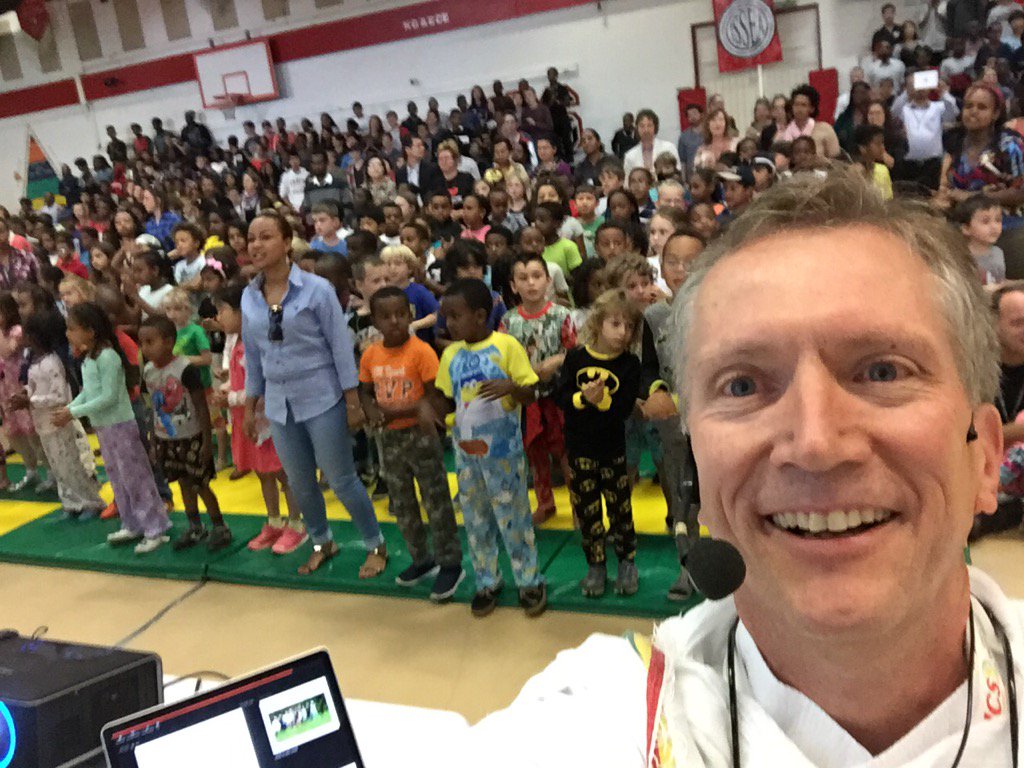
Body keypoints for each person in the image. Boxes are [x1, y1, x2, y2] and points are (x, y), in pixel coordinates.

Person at [467, 169, 1020, 767]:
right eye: (743, 384)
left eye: (882, 371)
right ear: (698, 468)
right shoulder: (598, 717)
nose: (814, 443)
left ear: (985, 456)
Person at [241, 211, 386, 578]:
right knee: (300, 480)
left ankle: (375, 544)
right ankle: (322, 541)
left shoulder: (316, 290)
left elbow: (340, 347)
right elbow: (253, 353)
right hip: (278, 402)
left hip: (321, 396)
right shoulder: (249, 296)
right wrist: (250, 403)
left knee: (341, 478)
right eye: (251, 238)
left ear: (287, 242)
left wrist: (352, 401)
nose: (256, 245)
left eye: (265, 237)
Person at [434, 278, 547, 618]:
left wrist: (511, 386)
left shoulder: (506, 346)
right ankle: (487, 579)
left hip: (503, 454)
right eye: (445, 317)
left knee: (513, 518)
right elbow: (443, 398)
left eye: (455, 316)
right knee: (475, 519)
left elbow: (531, 393)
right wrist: (433, 411)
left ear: (480, 315)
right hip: (466, 456)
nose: (448, 324)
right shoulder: (451, 354)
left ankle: (528, 580)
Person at [358, 286, 464, 601]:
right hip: (388, 438)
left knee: (436, 500)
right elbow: (364, 390)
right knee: (402, 503)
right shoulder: (371, 353)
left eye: (400, 314)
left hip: (420, 437)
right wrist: (371, 410)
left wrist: (397, 412)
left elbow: (431, 400)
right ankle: (421, 558)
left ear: (411, 315)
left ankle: (450, 563)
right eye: (386, 316)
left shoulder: (422, 352)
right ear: (375, 321)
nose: (394, 321)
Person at [58, 303, 171, 553]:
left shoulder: (108, 357)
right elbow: (89, 391)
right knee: (118, 478)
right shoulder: (89, 358)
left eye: (72, 328)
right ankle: (132, 522)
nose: (68, 334)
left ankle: (155, 527)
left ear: (90, 331)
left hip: (121, 425)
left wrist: (73, 412)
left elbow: (108, 396)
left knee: (136, 477)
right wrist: (69, 408)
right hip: (104, 428)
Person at [555, 288, 642, 597]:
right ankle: (595, 564)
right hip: (580, 450)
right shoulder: (577, 358)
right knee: (587, 509)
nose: (622, 332)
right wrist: (582, 398)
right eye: (615, 324)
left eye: (629, 326)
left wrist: (602, 399)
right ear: (598, 324)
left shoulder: (630, 364)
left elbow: (625, 407)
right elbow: (561, 396)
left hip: (613, 450)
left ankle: (626, 561)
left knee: (620, 509)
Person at [139, 315, 231, 551]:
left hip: (192, 437)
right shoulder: (148, 371)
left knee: (200, 484)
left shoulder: (185, 369)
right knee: (182, 482)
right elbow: (153, 407)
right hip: (166, 438)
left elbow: (201, 406)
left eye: (151, 342)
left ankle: (219, 526)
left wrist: (207, 443)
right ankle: (195, 526)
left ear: (169, 342)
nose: (145, 348)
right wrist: (152, 439)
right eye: (143, 343)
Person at [502, 252, 576, 523]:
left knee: (566, 449)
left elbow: (576, 352)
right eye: (523, 278)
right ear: (513, 286)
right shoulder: (509, 321)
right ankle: (545, 501)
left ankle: (577, 500)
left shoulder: (562, 315)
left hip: (559, 394)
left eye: (536, 276)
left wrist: (558, 359)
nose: (531, 283)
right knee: (534, 452)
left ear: (548, 280)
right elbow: (502, 357)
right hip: (527, 397)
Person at [15, 311, 104, 517]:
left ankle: (91, 501)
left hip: (58, 420)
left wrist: (31, 400)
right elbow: (33, 386)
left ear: (35, 337)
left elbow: (60, 396)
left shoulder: (52, 362)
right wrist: (24, 394)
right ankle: (71, 502)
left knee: (70, 463)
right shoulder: (35, 361)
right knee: (57, 466)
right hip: (43, 422)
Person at [938, 82, 1024, 229]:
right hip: (964, 226)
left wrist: (972, 197)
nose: (973, 111)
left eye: (982, 107)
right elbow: (947, 188)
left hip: (1006, 226)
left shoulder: (1009, 145)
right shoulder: (955, 142)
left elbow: (1020, 193)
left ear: (995, 114)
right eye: (968, 106)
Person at [0, 293, 48, 492]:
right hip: (5, 389)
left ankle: (51, 472)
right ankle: (30, 470)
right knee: (15, 434)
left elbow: (7, 352)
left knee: (33, 432)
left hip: (21, 388)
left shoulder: (16, 331)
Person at [381, 245, 438, 343]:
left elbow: (436, 314)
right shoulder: (381, 293)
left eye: (398, 264)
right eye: (388, 264)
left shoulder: (418, 291)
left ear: (410, 268)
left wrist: (416, 325)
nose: (392, 268)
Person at [952, 194, 1006, 285]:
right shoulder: (961, 257)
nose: (994, 227)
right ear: (966, 229)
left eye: (998, 220)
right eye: (985, 222)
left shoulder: (998, 252)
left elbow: (1000, 282)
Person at [781, 85, 841, 158]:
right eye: (796, 104)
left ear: (812, 109)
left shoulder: (825, 129)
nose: (799, 109)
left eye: (803, 105)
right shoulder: (784, 133)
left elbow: (836, 158)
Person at [623, 109, 681, 176]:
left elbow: (677, 174)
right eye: (642, 126)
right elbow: (628, 183)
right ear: (637, 128)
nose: (646, 130)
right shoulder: (630, 156)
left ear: (655, 127)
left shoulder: (669, 148)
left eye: (649, 125)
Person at [535, 202, 582, 279]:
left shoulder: (568, 246)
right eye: (535, 219)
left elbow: (578, 278)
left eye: (542, 220)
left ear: (557, 223)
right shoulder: (534, 248)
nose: (537, 224)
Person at [855, 124, 895, 200]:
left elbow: (888, 200)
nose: (882, 147)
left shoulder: (882, 170)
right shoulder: (854, 172)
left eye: (882, 143)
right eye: (878, 144)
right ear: (862, 148)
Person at [142, 188, 181, 253]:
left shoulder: (173, 219)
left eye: (147, 199)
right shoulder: (149, 224)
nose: (144, 203)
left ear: (158, 200)